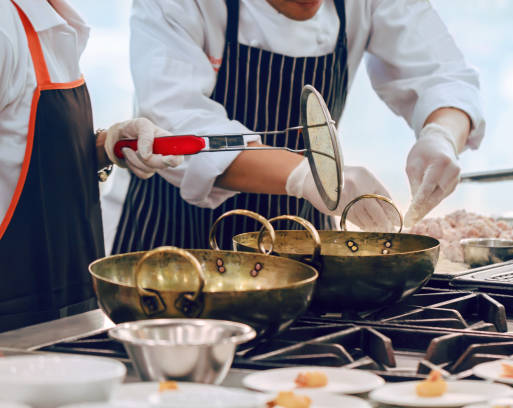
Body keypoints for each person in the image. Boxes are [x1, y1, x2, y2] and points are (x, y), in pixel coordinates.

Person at [107, 0, 484, 253]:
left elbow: (443, 74)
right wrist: (307, 176)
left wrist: (442, 136)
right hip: (175, 241)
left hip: (306, 243)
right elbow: (178, 123)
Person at [0, 0, 184, 332]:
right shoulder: (4, 26)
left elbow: (21, 147)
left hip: (65, 306)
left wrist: (104, 147)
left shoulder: (53, 23)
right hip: (12, 316)